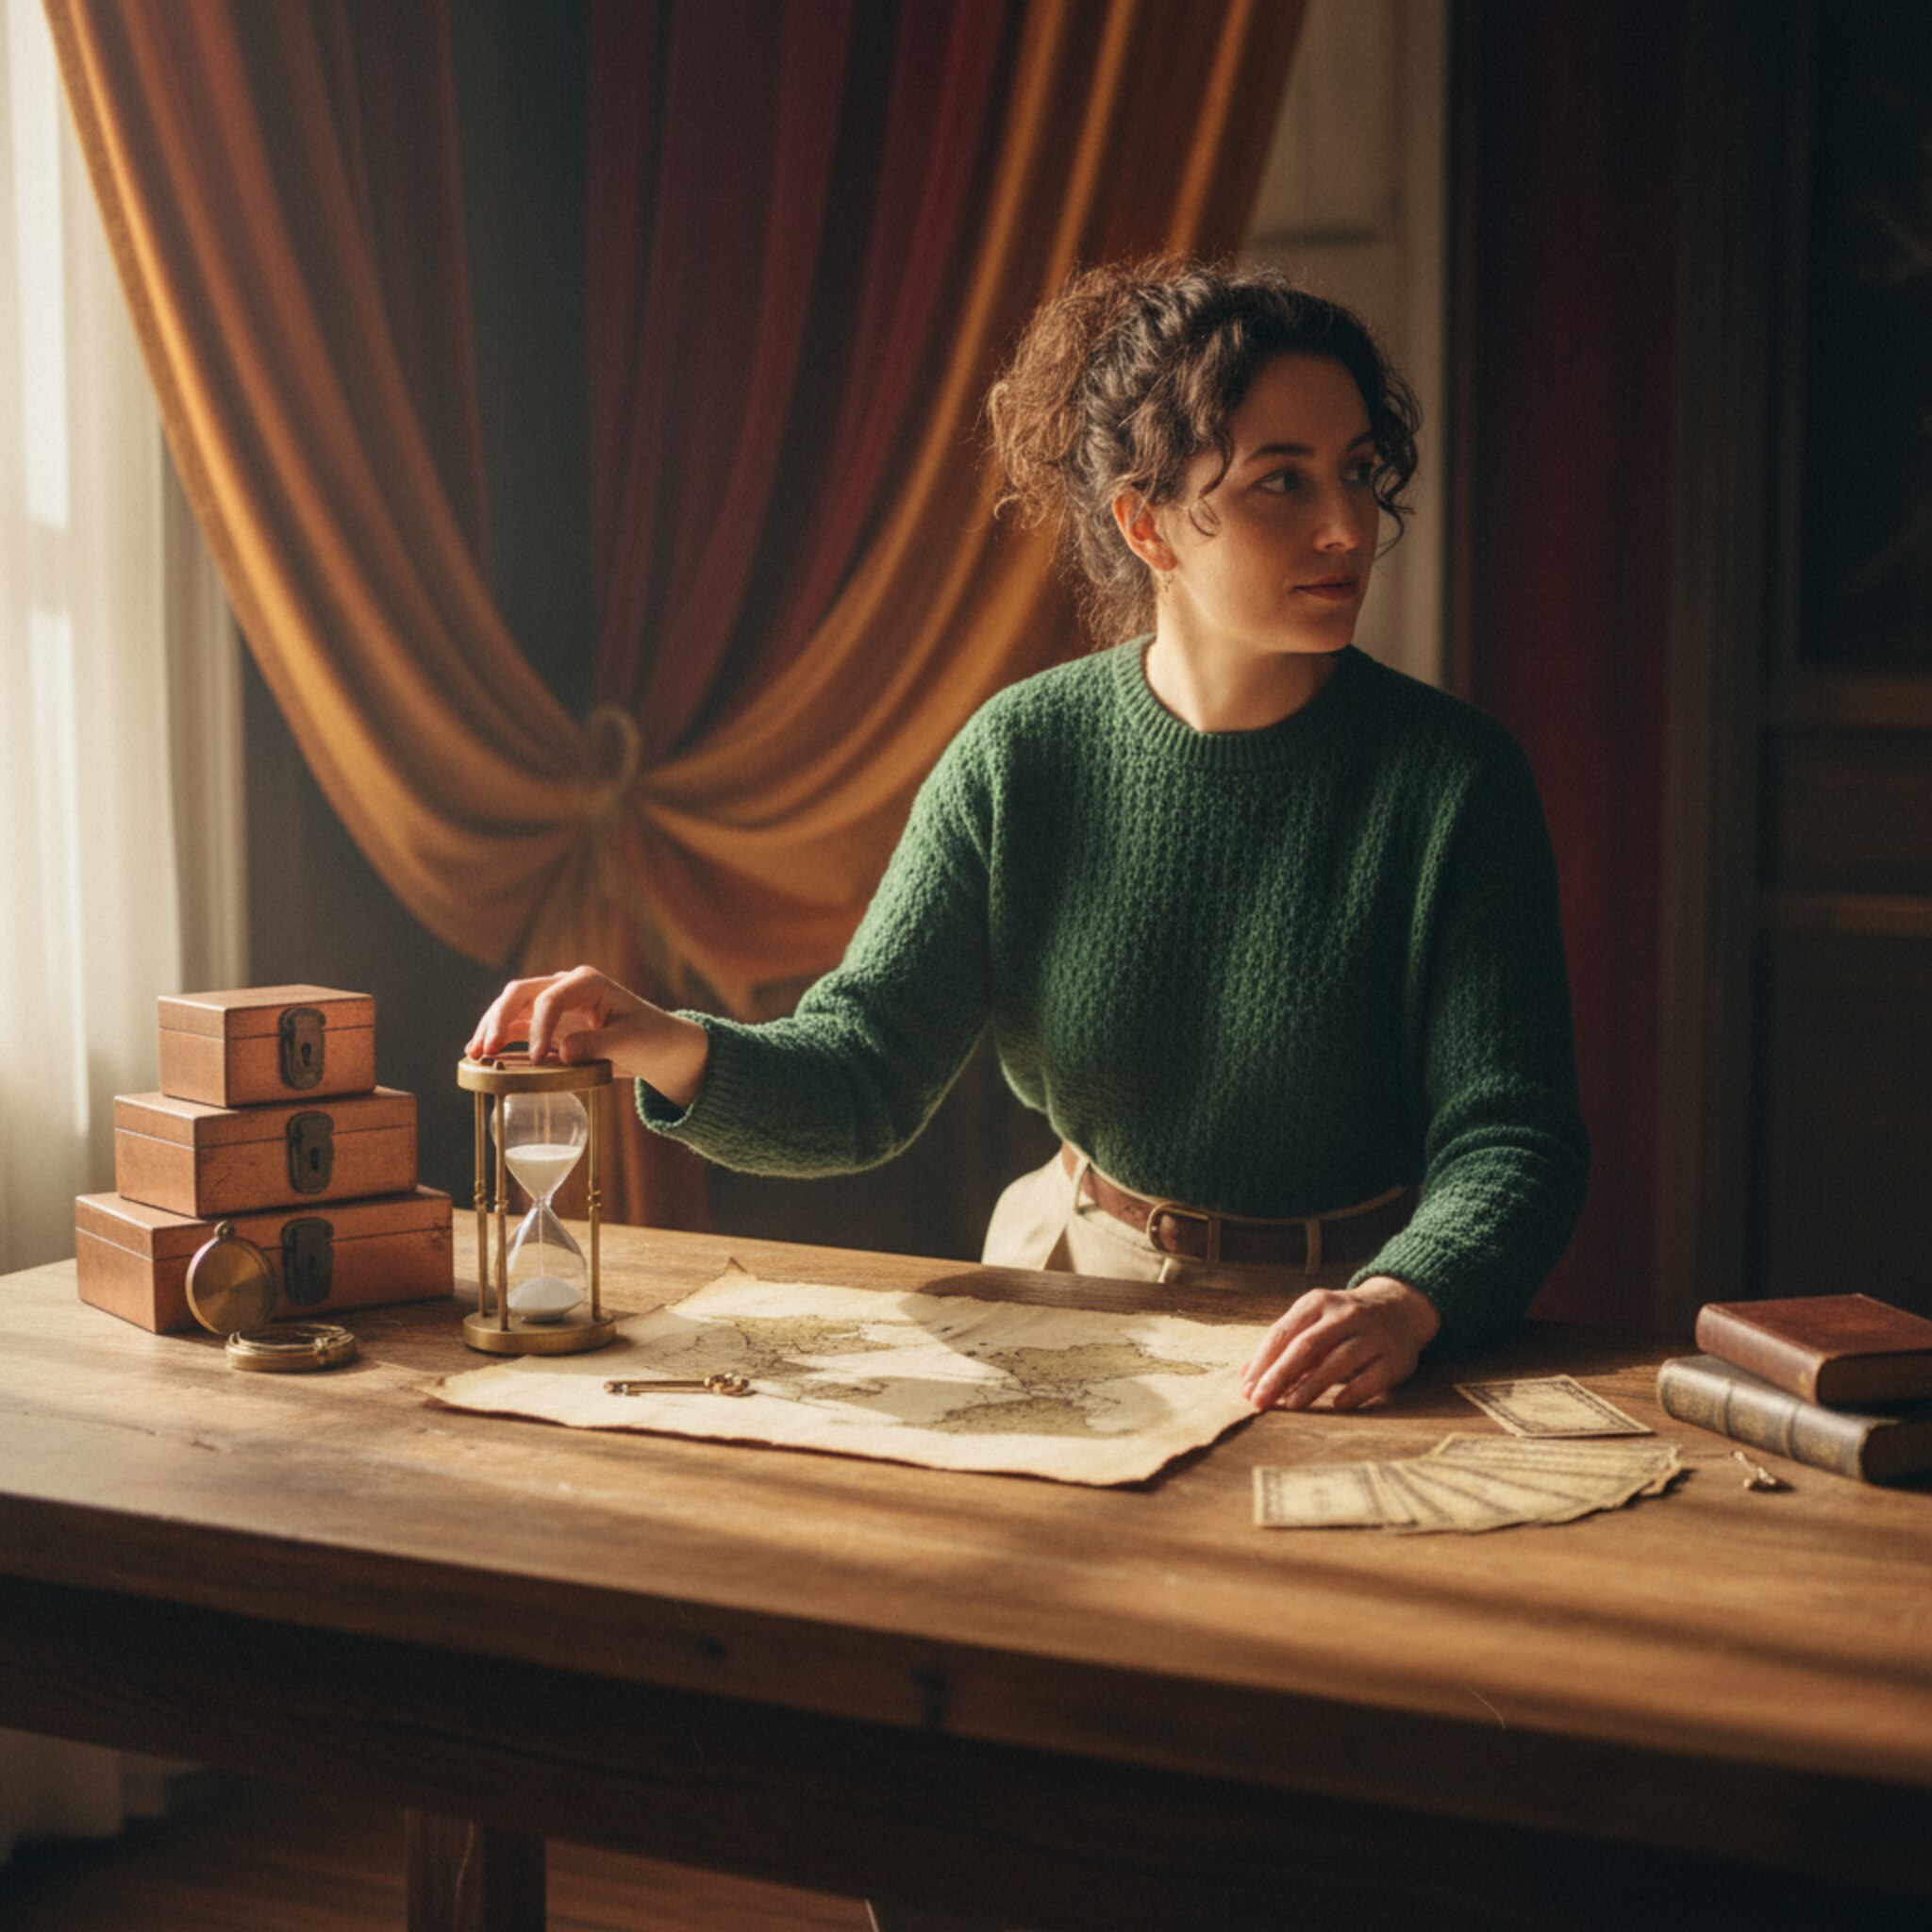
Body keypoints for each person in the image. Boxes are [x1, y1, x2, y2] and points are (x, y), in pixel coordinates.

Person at [469, 255, 1588, 1421]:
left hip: (1348, 1327)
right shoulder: (1019, 758)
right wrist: (660, 1041)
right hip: (1065, 1294)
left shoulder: (1455, 780)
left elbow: (1513, 1134)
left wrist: (1408, 1295)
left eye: (1357, 474)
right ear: (1146, 524)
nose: (1346, 525)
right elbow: (863, 1073)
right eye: (1282, 483)